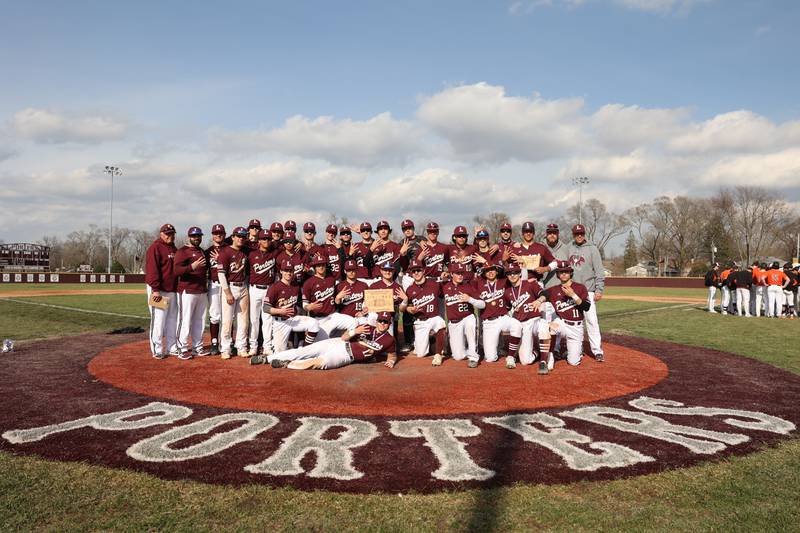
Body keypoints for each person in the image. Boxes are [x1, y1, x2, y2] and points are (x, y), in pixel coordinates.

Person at [252, 312, 397, 370]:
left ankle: (288, 364)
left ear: (389, 324)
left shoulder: (389, 340)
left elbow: (392, 354)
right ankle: (266, 359)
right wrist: (355, 331)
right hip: (339, 343)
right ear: (376, 321)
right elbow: (344, 337)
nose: (382, 324)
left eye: (385, 322)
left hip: (346, 356)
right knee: (304, 351)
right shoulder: (366, 327)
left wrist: (391, 361)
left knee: (319, 363)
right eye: (380, 321)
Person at [534, 260, 592, 370]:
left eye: (566, 271)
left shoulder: (580, 288)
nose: (564, 274)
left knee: (573, 362)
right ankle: (549, 356)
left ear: (571, 273)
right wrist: (540, 300)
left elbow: (586, 307)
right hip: (562, 323)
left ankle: (572, 352)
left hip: (576, 327)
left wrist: (573, 295)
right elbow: (544, 293)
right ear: (557, 274)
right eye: (561, 272)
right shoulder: (554, 289)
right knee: (549, 327)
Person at [566, 224, 605, 362]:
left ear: (584, 234)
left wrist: (599, 289)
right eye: (577, 234)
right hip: (572, 291)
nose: (579, 236)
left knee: (592, 321)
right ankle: (578, 348)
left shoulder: (592, 249)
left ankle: (597, 350)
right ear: (573, 235)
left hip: (588, 290)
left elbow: (599, 271)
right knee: (575, 321)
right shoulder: (568, 248)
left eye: (581, 233)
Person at [474, 262, 522, 367]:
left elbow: (517, 278)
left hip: (502, 317)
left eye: (492, 269)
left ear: (497, 271)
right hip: (488, 322)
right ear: (484, 273)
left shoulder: (503, 281)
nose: (490, 272)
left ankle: (511, 356)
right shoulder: (479, 283)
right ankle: (497, 349)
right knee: (490, 358)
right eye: (487, 271)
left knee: (517, 325)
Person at [265, 260, 320, 351]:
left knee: (314, 323)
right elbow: (265, 308)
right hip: (280, 322)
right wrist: (280, 311)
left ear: (294, 272)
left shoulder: (296, 286)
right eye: (286, 270)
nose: (288, 273)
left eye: (290, 270)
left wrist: (307, 307)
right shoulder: (274, 287)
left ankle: (304, 350)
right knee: (280, 355)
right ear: (281, 271)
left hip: (293, 319)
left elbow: (300, 304)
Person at [400, 260, 446, 366]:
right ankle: (431, 340)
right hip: (420, 321)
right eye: (413, 271)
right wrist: (409, 309)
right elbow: (405, 308)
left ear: (424, 270)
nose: (416, 273)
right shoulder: (410, 289)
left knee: (441, 323)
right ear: (411, 273)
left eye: (418, 270)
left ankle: (438, 354)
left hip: (433, 317)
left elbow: (444, 295)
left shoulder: (434, 284)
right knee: (421, 354)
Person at [173, 226, 208, 359]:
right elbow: (176, 271)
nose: (196, 238)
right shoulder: (182, 251)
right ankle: (181, 348)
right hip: (187, 290)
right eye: (194, 236)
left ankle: (197, 347)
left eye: (198, 236)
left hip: (201, 290)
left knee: (200, 320)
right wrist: (192, 266)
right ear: (189, 237)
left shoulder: (201, 251)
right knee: (185, 320)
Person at [303, 254, 358, 340]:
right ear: (314, 267)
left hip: (333, 315)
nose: (321, 267)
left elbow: (336, 301)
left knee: (353, 322)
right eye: (318, 265)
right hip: (319, 319)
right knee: (320, 343)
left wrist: (338, 297)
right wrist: (308, 307)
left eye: (323, 265)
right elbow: (304, 305)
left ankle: (342, 341)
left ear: (326, 266)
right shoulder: (308, 283)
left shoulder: (331, 279)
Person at [216, 226, 251, 359]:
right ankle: (225, 348)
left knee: (243, 320)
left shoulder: (245, 251)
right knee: (227, 321)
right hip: (230, 287)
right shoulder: (225, 252)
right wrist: (227, 293)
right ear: (233, 237)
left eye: (243, 237)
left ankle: (241, 346)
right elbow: (221, 274)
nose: (241, 239)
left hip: (243, 288)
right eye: (238, 236)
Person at [145, 223, 179, 359]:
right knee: (158, 320)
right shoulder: (155, 247)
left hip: (172, 289)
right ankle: (157, 349)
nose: (170, 236)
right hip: (159, 290)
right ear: (161, 234)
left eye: (172, 233)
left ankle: (172, 347)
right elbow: (152, 270)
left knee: (172, 319)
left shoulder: (174, 248)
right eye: (167, 234)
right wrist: (155, 289)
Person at [504, 263, 547, 368]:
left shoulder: (529, 284)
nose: (512, 275)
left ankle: (545, 358)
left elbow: (545, 294)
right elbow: (506, 309)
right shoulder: (507, 292)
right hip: (522, 323)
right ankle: (536, 352)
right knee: (525, 361)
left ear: (520, 273)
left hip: (534, 319)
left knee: (544, 327)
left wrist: (539, 300)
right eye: (509, 273)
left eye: (515, 272)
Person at [442, 263, 483, 365]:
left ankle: (473, 357)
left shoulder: (468, 286)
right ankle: (468, 350)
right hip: (454, 322)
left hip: (467, 317)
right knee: (458, 356)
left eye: (462, 273)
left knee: (471, 324)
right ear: (451, 274)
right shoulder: (444, 286)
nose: (460, 275)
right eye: (457, 273)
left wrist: (470, 299)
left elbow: (482, 304)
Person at [248, 229, 278, 356]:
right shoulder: (251, 254)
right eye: (264, 239)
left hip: (268, 290)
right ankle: (253, 346)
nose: (266, 241)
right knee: (254, 319)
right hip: (254, 289)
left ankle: (267, 346)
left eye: (269, 239)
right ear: (259, 241)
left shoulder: (275, 253)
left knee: (267, 319)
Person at [205, 224, 227, 355]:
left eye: (220, 233)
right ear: (212, 235)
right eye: (215, 233)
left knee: (229, 315)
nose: (218, 235)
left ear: (224, 235)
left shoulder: (229, 249)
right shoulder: (207, 252)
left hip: (227, 285)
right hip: (213, 284)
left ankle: (227, 342)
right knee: (214, 314)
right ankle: (214, 342)